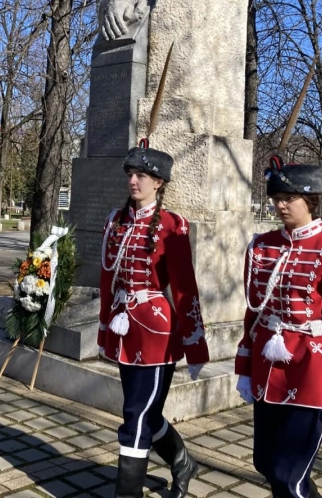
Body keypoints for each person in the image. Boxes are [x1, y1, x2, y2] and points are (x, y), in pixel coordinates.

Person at [234, 158, 322, 498]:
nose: (281, 205)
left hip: (309, 369)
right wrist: (244, 367)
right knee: (266, 463)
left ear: (311, 200)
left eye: (290, 198)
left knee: (289, 475)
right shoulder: (260, 245)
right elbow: (253, 314)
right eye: (277, 197)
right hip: (266, 367)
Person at [97, 144, 209, 498]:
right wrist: (104, 329)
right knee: (146, 413)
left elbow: (185, 288)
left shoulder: (173, 226)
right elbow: (107, 279)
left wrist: (195, 345)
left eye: (141, 176)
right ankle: (182, 462)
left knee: (137, 416)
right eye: (130, 174)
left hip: (156, 334)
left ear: (158, 182)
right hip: (124, 330)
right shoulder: (115, 221)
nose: (133, 181)